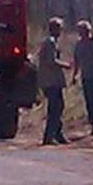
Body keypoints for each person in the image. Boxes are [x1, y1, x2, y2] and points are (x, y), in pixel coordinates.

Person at [36, 16, 71, 145]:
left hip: (52, 81)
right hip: (51, 81)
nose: (61, 31)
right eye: (59, 28)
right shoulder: (50, 42)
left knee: (58, 106)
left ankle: (57, 134)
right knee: (55, 108)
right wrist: (65, 65)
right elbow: (51, 61)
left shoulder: (52, 42)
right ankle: (49, 137)